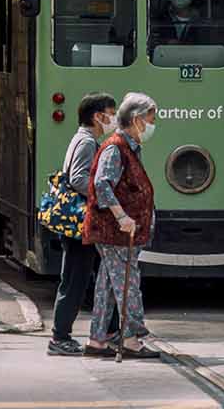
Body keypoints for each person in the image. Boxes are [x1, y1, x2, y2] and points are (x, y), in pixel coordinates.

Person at [84, 92, 160, 360]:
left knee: (107, 283)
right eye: (151, 119)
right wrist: (122, 217)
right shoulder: (116, 147)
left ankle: (97, 340)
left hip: (117, 231)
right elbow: (102, 183)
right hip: (117, 232)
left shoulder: (127, 147)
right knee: (128, 283)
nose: (153, 125)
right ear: (137, 120)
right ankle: (131, 339)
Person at [49, 91, 117, 356]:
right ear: (97, 116)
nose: (113, 119)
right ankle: (59, 337)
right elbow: (78, 179)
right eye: (110, 115)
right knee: (75, 280)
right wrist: (105, 197)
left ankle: (109, 330)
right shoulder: (87, 142)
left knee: (95, 276)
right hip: (80, 224)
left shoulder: (84, 139)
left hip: (83, 224)